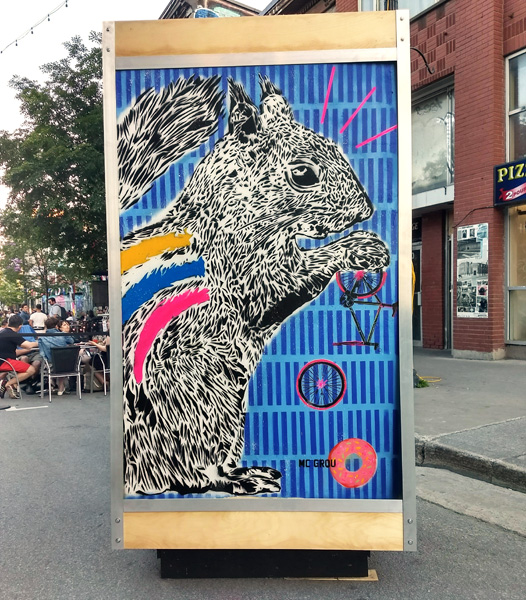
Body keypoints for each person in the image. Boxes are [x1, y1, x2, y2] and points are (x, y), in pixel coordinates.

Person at [0, 314, 39, 399]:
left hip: (3, 360)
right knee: (31, 370)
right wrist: (39, 342)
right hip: (5, 361)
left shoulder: (3, 332)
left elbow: (17, 351)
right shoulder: (13, 334)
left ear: (8, 323)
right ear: (20, 326)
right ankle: (7, 384)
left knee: (21, 366)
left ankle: (11, 385)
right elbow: (28, 345)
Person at [38, 317, 75, 395]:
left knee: (54, 361)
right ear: (56, 326)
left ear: (46, 327)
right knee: (61, 360)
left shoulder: (41, 338)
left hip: (51, 367)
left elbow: (42, 354)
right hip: (68, 366)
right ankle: (61, 387)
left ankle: (53, 383)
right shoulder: (63, 335)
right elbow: (71, 341)